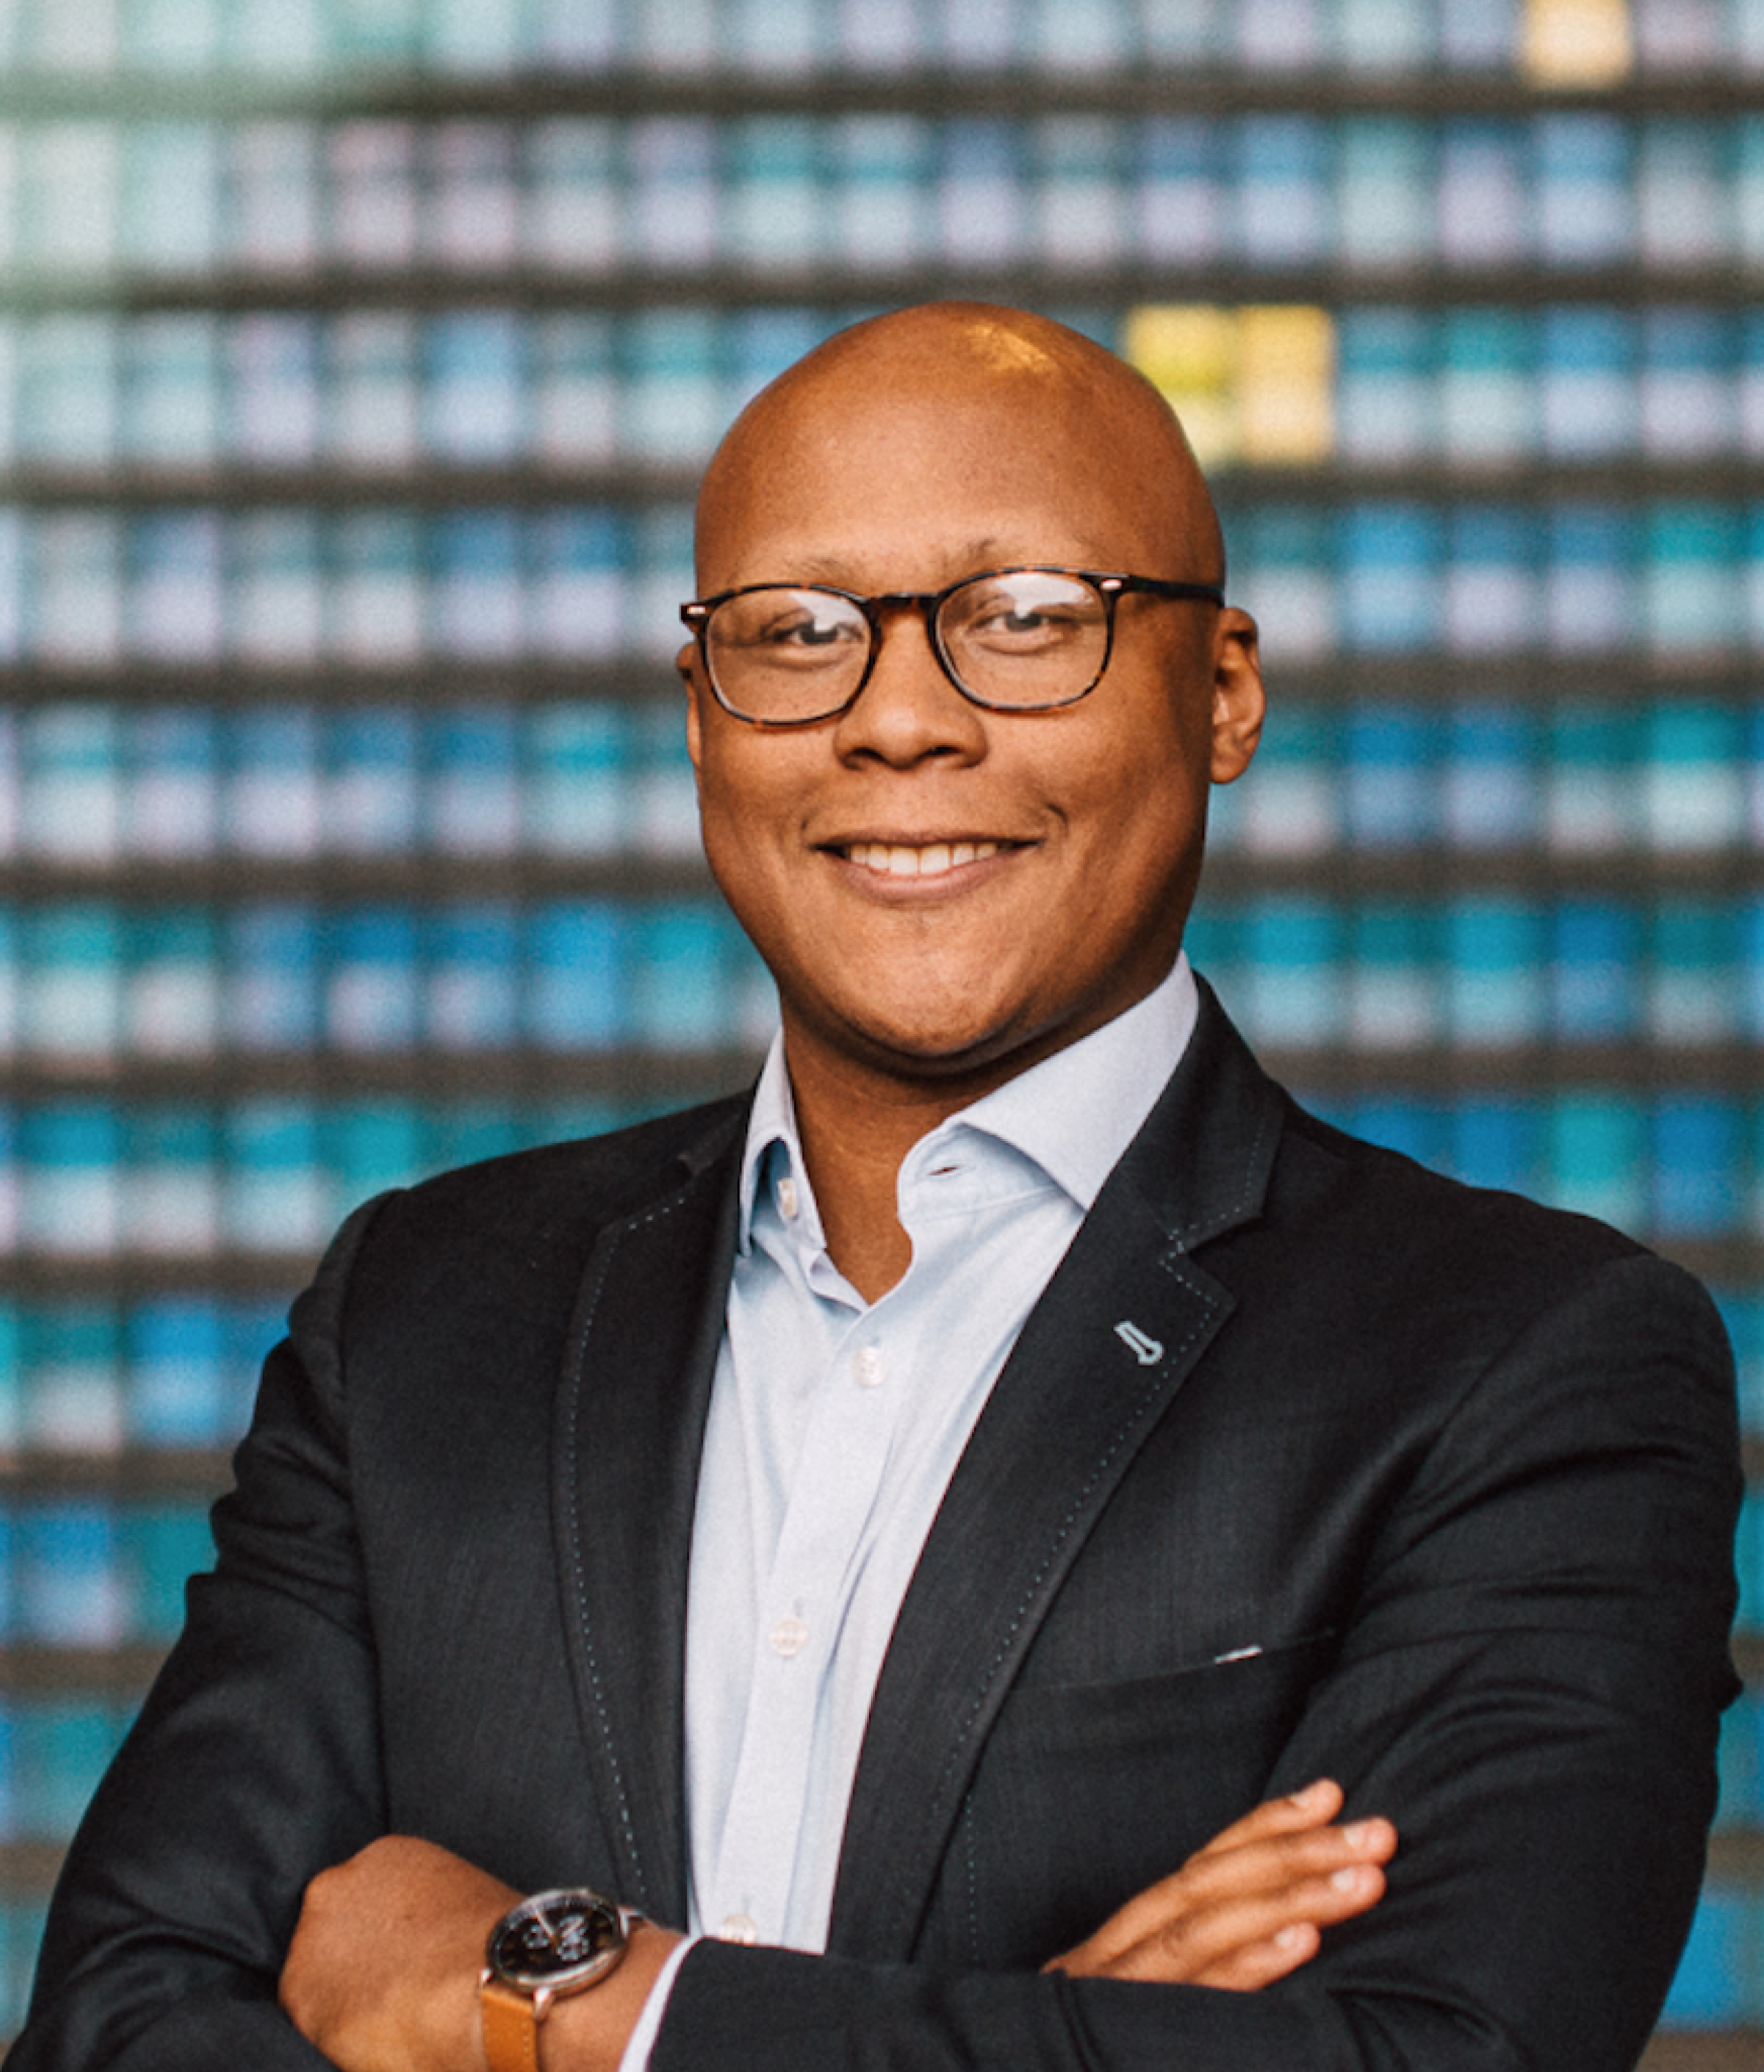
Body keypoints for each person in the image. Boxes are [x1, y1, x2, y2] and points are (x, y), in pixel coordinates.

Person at [12, 303, 1739, 2072]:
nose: (898, 718)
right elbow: (116, 2028)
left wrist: (588, 2006)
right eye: (796, 632)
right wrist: (1056, 2030)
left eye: (1023, 620)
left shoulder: (1524, 1364)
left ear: (1219, 690)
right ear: (699, 714)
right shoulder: (426, 1311)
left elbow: (1433, 2061)